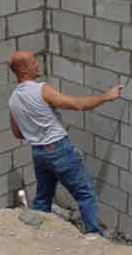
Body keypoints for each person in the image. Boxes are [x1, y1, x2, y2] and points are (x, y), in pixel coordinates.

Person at [8, 50, 123, 235]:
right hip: (58, 150)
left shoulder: (13, 99)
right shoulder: (41, 89)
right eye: (33, 63)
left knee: (42, 199)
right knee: (86, 194)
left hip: (39, 153)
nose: (37, 64)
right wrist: (106, 96)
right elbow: (77, 105)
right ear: (23, 70)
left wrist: (36, 128)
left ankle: (36, 237)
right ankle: (93, 238)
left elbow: (17, 132)